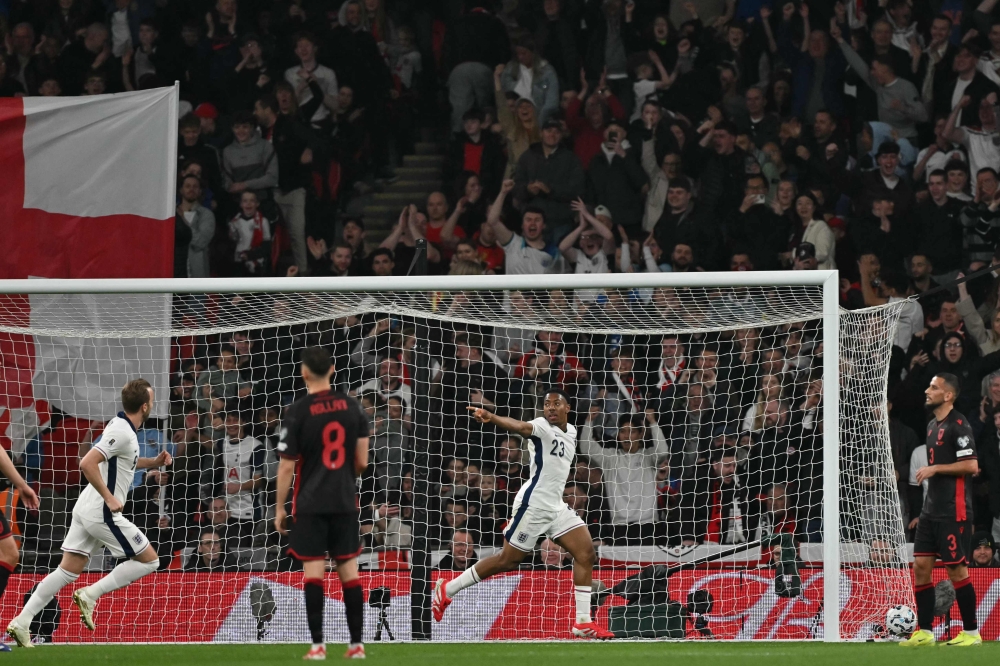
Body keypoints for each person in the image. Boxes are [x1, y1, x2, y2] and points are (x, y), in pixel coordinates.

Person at [432, 390, 613, 639]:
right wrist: (492, 417)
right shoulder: (540, 426)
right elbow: (520, 426)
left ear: (567, 408)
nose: (550, 408)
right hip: (534, 504)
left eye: (556, 403)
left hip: (555, 506)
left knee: (586, 553)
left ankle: (582, 622)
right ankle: (448, 589)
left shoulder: (571, 432)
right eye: (546, 404)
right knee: (508, 560)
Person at [7, 380, 172, 648]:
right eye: (151, 400)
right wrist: (109, 497)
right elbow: (86, 462)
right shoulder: (123, 432)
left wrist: (152, 462)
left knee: (66, 572)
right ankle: (91, 594)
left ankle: (21, 622)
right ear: (145, 406)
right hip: (101, 510)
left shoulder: (120, 427)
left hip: (87, 507)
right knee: (150, 561)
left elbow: (121, 459)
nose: (152, 404)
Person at [275, 346, 369, 660]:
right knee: (349, 572)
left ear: (303, 373)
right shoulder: (353, 407)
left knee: (313, 573)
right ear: (333, 370)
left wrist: (279, 508)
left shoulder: (297, 411)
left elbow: (287, 465)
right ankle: (356, 645)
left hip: (310, 503)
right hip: (343, 500)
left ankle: (318, 646)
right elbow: (362, 462)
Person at [901, 373, 981, 647]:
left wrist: (936, 468)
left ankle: (971, 633)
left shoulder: (959, 425)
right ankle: (924, 631)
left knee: (956, 570)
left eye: (933, 387)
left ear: (948, 395)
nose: (927, 390)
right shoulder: (933, 425)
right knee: (921, 566)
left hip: (952, 510)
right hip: (930, 511)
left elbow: (972, 466)